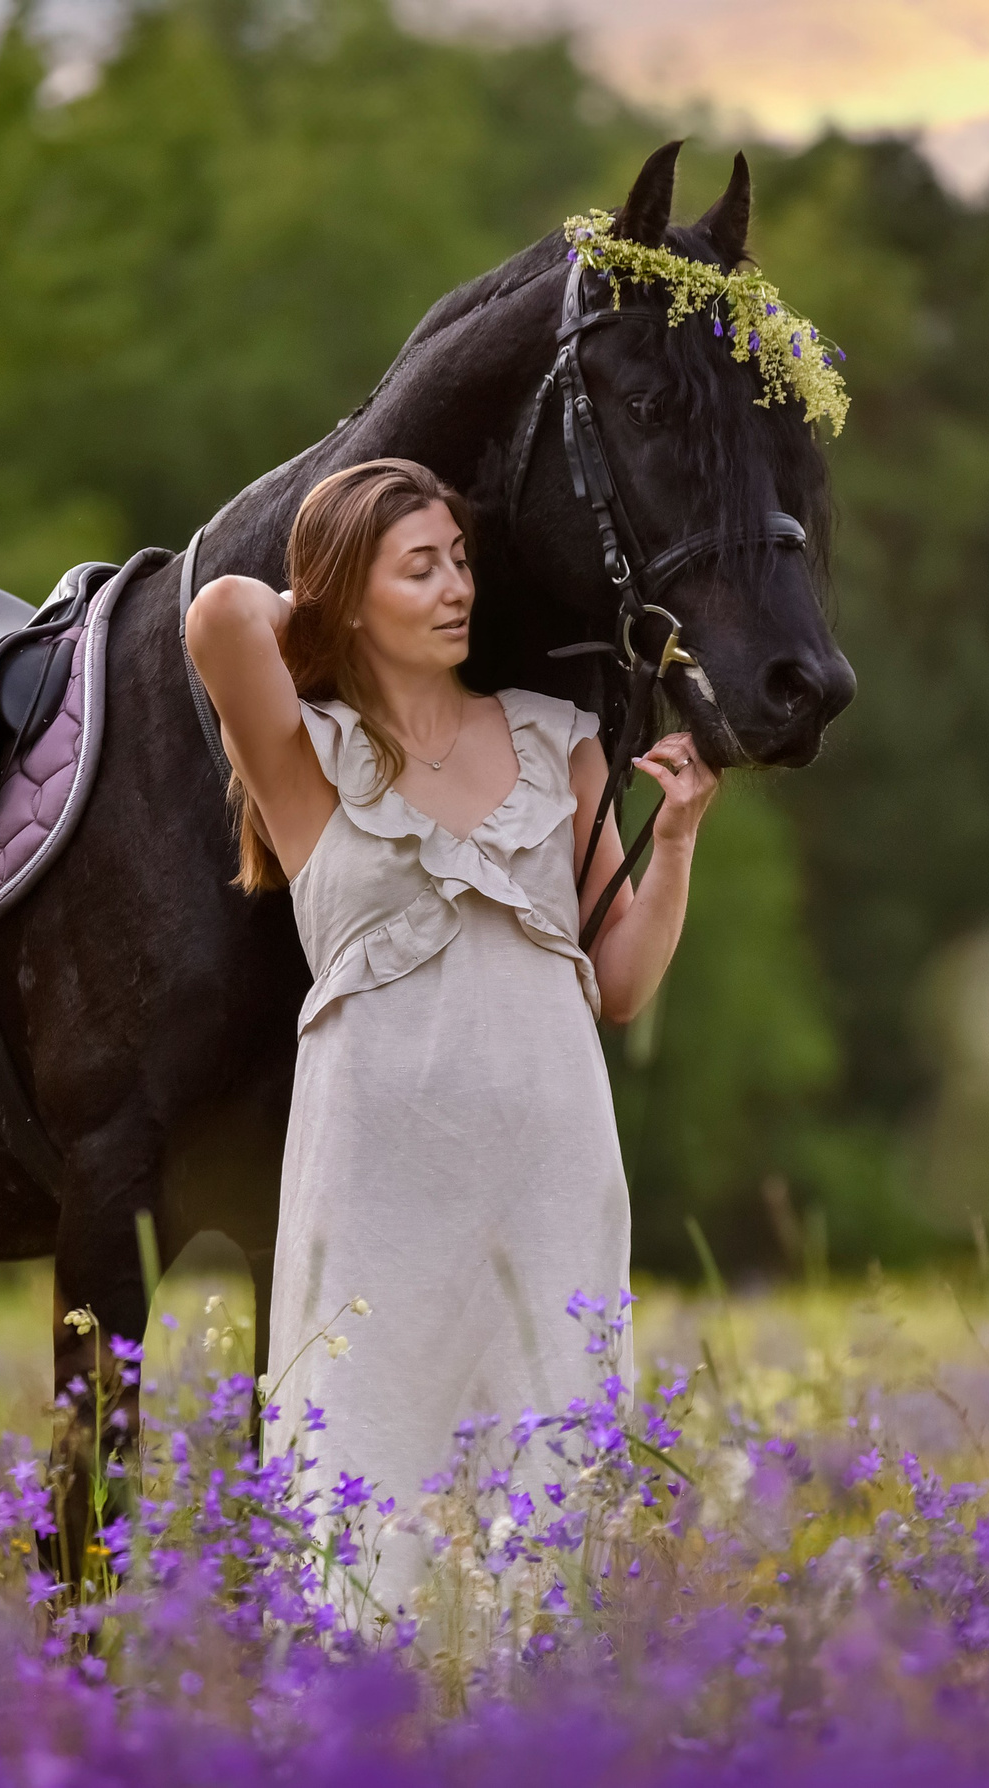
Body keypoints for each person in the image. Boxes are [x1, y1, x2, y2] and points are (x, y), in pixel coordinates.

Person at [185, 457, 719, 1623]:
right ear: (345, 595)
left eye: (463, 562)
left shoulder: (555, 743)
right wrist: (327, 601)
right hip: (379, 1177)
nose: (455, 587)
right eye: (418, 567)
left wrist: (672, 843)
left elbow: (619, 983)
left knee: (547, 1471)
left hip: (551, 1165)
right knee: (363, 1465)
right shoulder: (304, 756)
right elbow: (225, 613)